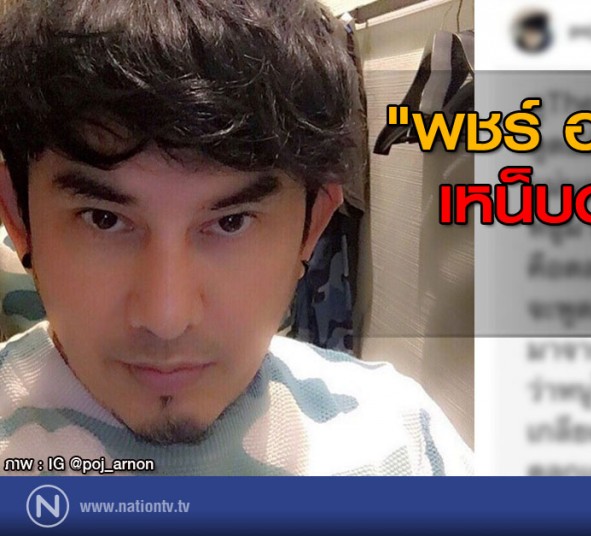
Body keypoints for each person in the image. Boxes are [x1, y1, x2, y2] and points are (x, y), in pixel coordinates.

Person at [0, 0, 472, 475]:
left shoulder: (404, 444)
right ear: (18, 215)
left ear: (312, 225)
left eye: (231, 222)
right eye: (103, 219)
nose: (167, 319)